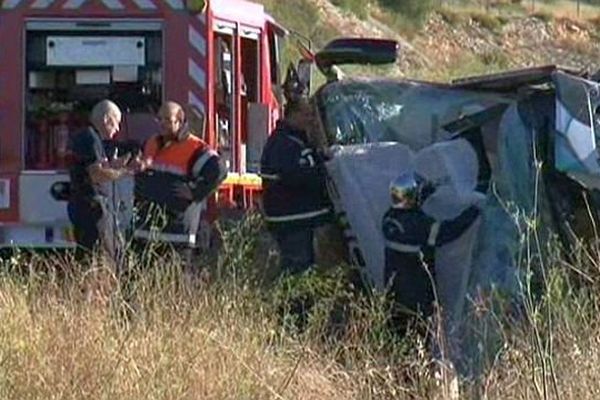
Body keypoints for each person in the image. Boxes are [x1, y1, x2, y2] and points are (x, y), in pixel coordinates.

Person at [382, 172, 480, 334]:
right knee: (419, 339)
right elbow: (448, 231)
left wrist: (430, 188)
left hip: (394, 295)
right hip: (416, 297)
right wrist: (473, 211)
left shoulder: (389, 219)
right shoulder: (419, 225)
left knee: (396, 338)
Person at [133, 101, 226, 260]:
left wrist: (195, 192)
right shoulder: (152, 143)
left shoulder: (195, 148)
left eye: (168, 120)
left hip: (177, 236)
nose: (162, 124)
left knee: (176, 281)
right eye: (159, 119)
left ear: (180, 121)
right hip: (146, 233)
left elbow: (219, 171)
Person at [260, 98, 332, 275]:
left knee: (307, 270)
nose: (311, 119)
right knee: (297, 272)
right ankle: (295, 303)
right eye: (307, 114)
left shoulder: (298, 140)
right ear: (294, 115)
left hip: (302, 220)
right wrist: (322, 173)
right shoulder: (282, 144)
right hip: (292, 221)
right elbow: (295, 176)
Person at [67, 99, 139, 261]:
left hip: (88, 206)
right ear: (107, 119)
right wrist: (124, 172)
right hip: (90, 208)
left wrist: (116, 164)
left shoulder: (92, 139)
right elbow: (96, 174)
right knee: (98, 257)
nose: (118, 128)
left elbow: (96, 166)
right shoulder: (90, 138)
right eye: (116, 123)